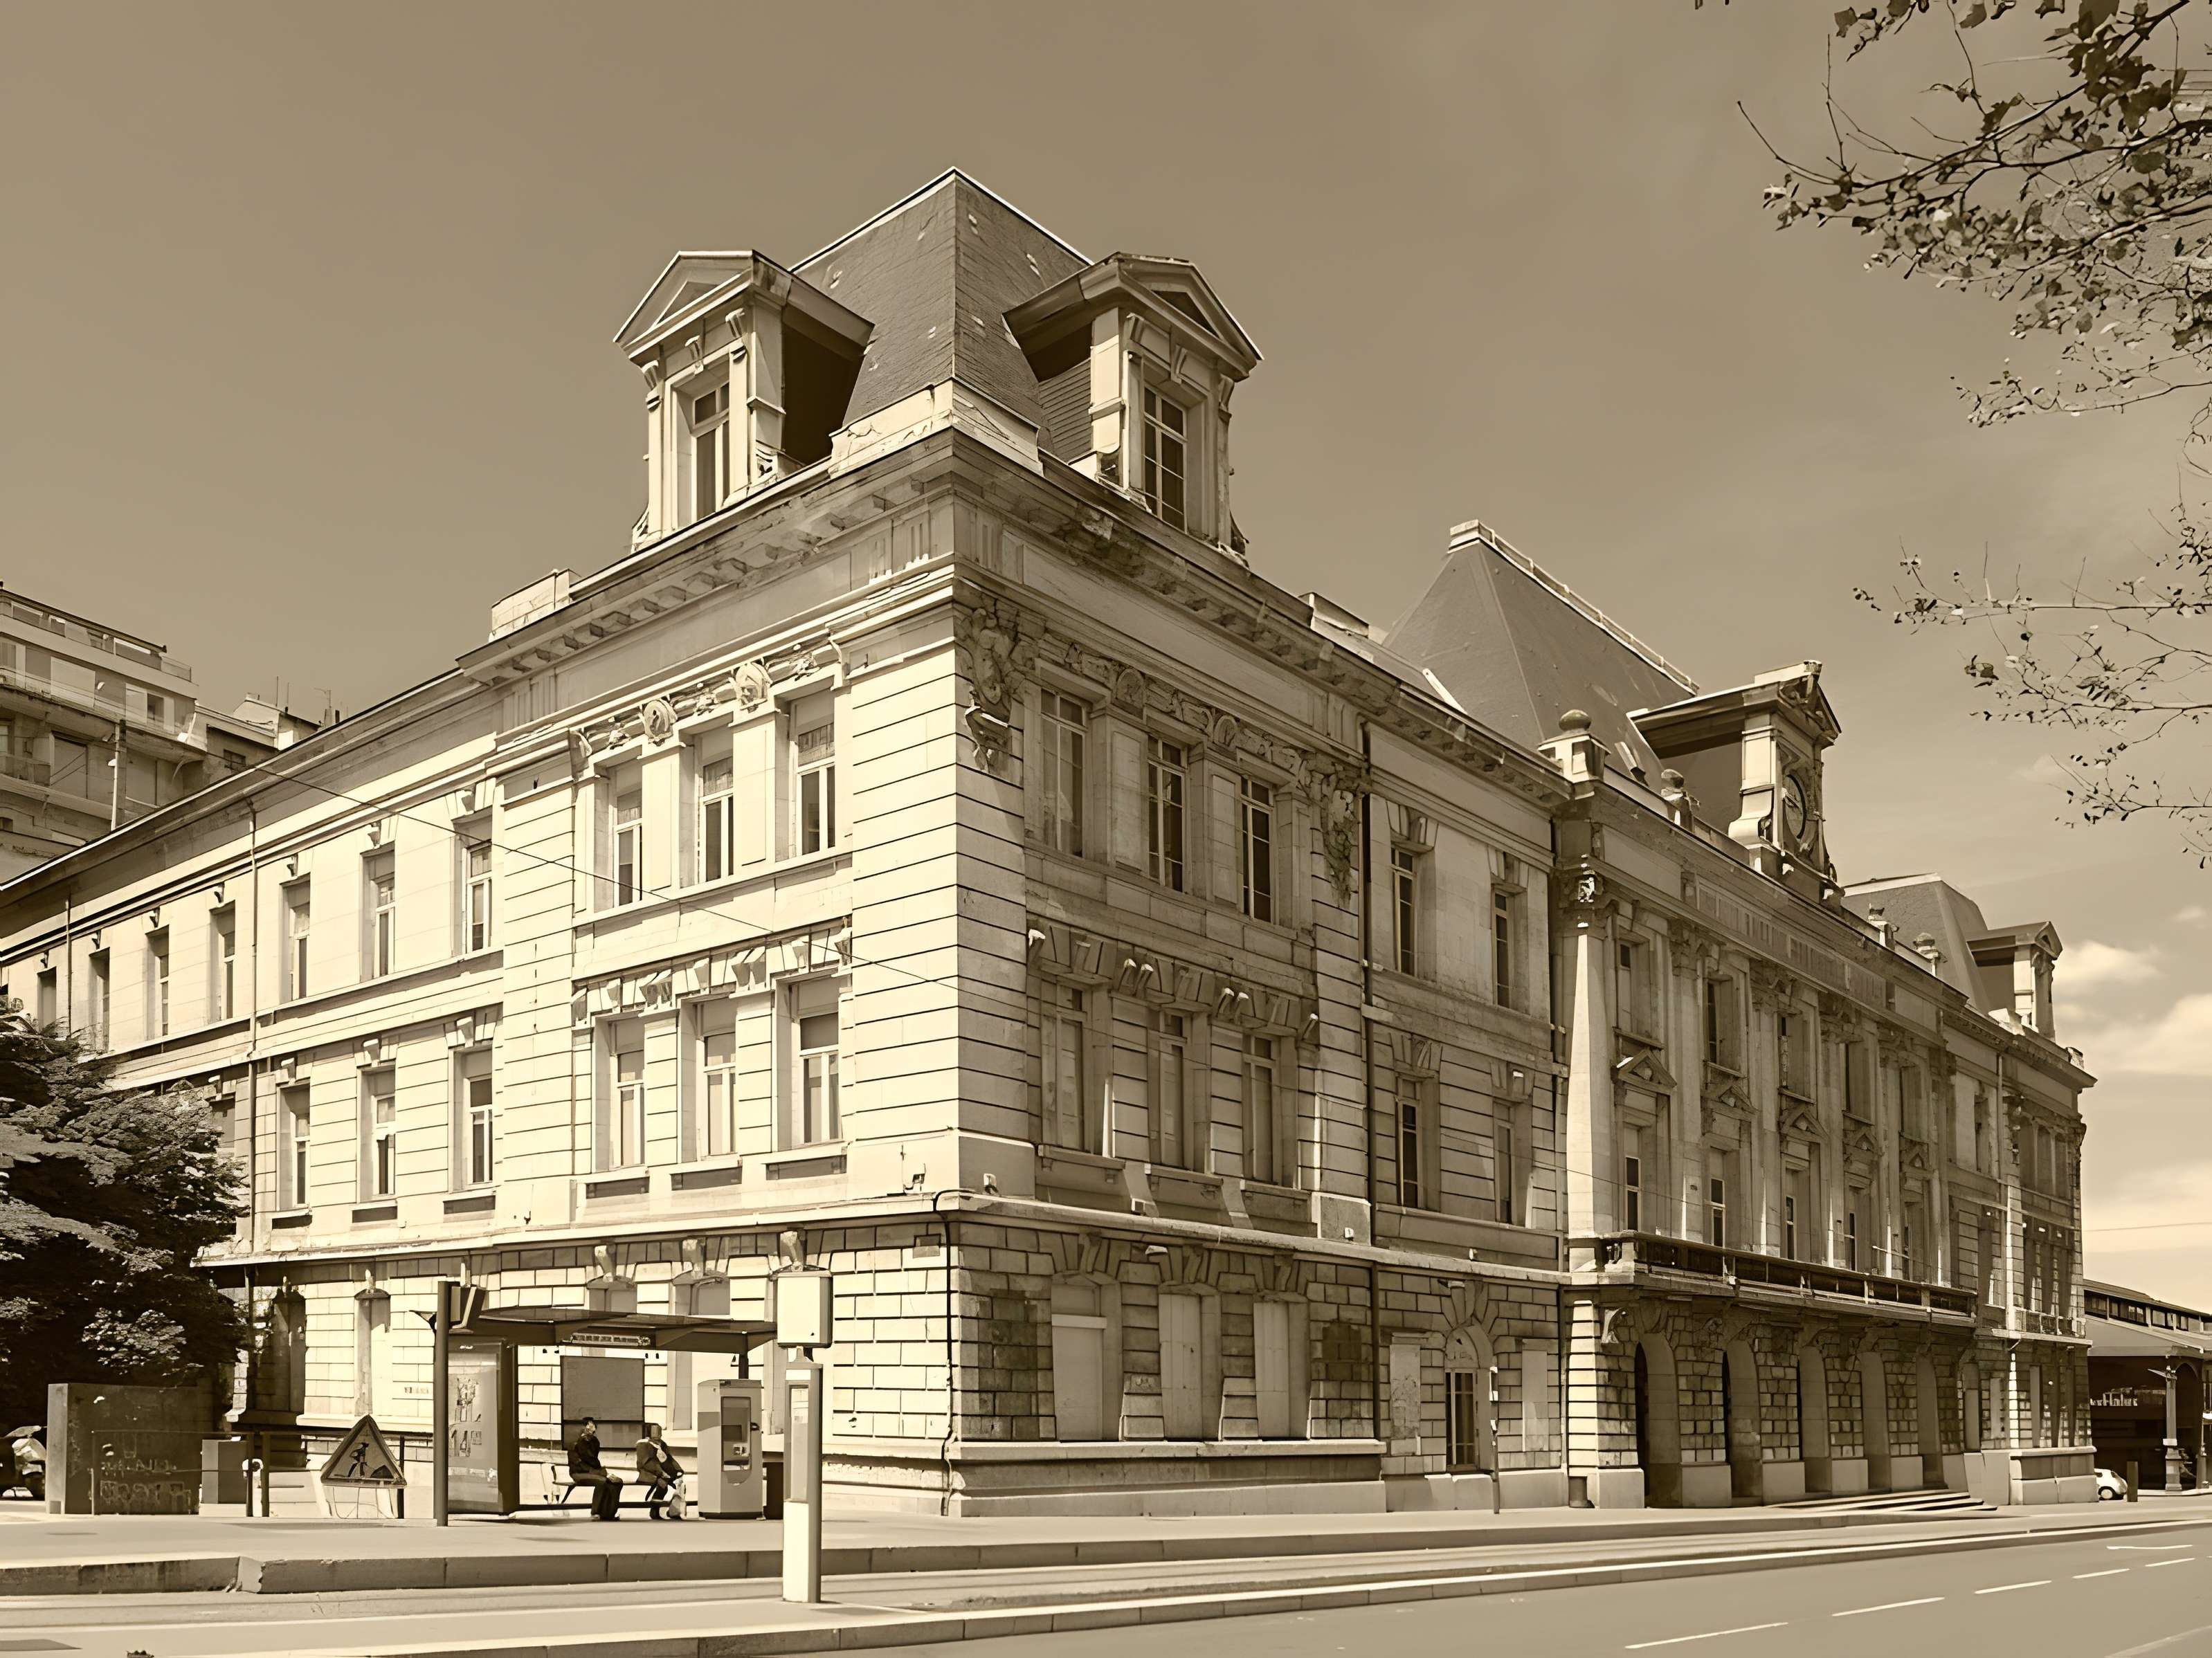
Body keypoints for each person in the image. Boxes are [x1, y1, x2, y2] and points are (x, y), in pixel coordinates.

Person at [567, 1417, 622, 1520]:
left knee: (616, 1482)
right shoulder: (574, 1443)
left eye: (592, 1431)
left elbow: (594, 1460)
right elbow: (579, 1463)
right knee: (602, 1481)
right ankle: (595, 1512)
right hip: (579, 1472)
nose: (589, 1433)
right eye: (587, 1430)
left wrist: (603, 1473)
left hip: (595, 1472)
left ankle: (609, 1514)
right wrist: (599, 1473)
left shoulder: (595, 1442)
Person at [635, 1422, 685, 1520]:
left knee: (680, 1484)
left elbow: (669, 1459)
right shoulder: (643, 1444)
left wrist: (678, 1470)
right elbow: (646, 1463)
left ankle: (673, 1511)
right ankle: (655, 1510)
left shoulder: (662, 1444)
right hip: (649, 1473)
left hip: (663, 1472)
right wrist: (661, 1474)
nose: (659, 1435)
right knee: (662, 1485)